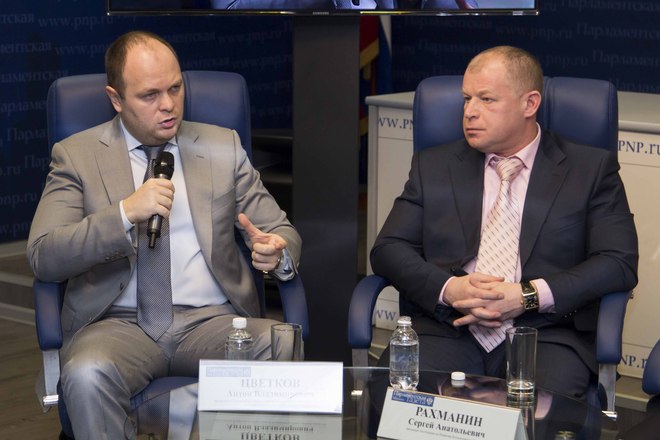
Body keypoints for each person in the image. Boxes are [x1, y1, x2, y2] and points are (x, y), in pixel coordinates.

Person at [27, 30, 302, 440]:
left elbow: (280, 231)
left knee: (281, 345)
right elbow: (44, 255)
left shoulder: (223, 147)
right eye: (149, 95)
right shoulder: (77, 156)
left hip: (212, 322)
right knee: (86, 374)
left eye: (175, 88)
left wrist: (276, 253)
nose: (169, 105)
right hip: (118, 325)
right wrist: (124, 214)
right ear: (116, 99)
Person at [371, 46, 638, 399]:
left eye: (486, 99)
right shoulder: (434, 165)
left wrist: (527, 295)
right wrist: (450, 289)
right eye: (466, 99)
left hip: (545, 334)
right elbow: (388, 249)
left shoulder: (589, 170)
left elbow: (618, 262)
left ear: (530, 104)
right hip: (448, 328)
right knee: (398, 401)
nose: (470, 111)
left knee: (540, 414)